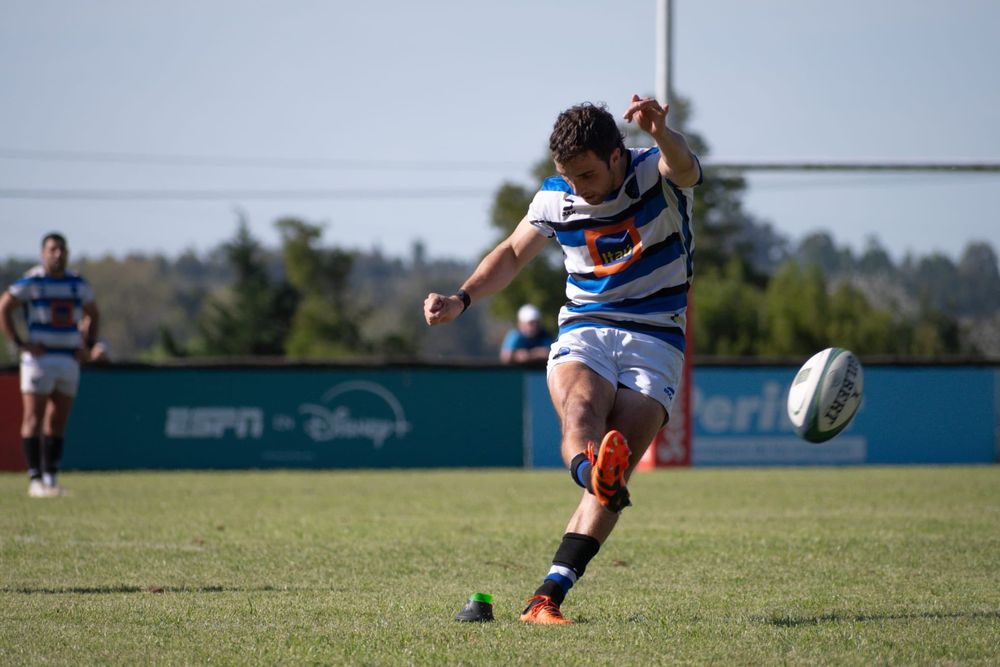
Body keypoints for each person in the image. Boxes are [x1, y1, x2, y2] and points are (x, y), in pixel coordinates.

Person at [424, 95, 701, 624]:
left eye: (587, 174)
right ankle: (588, 471)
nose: (577, 187)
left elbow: (683, 165)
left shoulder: (654, 170)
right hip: (587, 327)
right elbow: (509, 253)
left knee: (619, 466)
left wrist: (663, 132)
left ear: (617, 155)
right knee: (582, 416)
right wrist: (461, 298)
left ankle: (545, 598)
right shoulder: (555, 198)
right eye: (568, 176)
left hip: (658, 336)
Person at [0, 233, 99, 497]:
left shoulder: (77, 283)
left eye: (61, 249)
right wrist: (21, 344)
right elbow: (4, 306)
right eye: (52, 249)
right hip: (39, 360)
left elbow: (93, 313)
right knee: (33, 418)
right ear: (42, 253)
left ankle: (51, 479)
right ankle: (35, 480)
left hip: (68, 358)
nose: (58, 254)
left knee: (57, 422)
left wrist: (87, 346)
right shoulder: (33, 281)